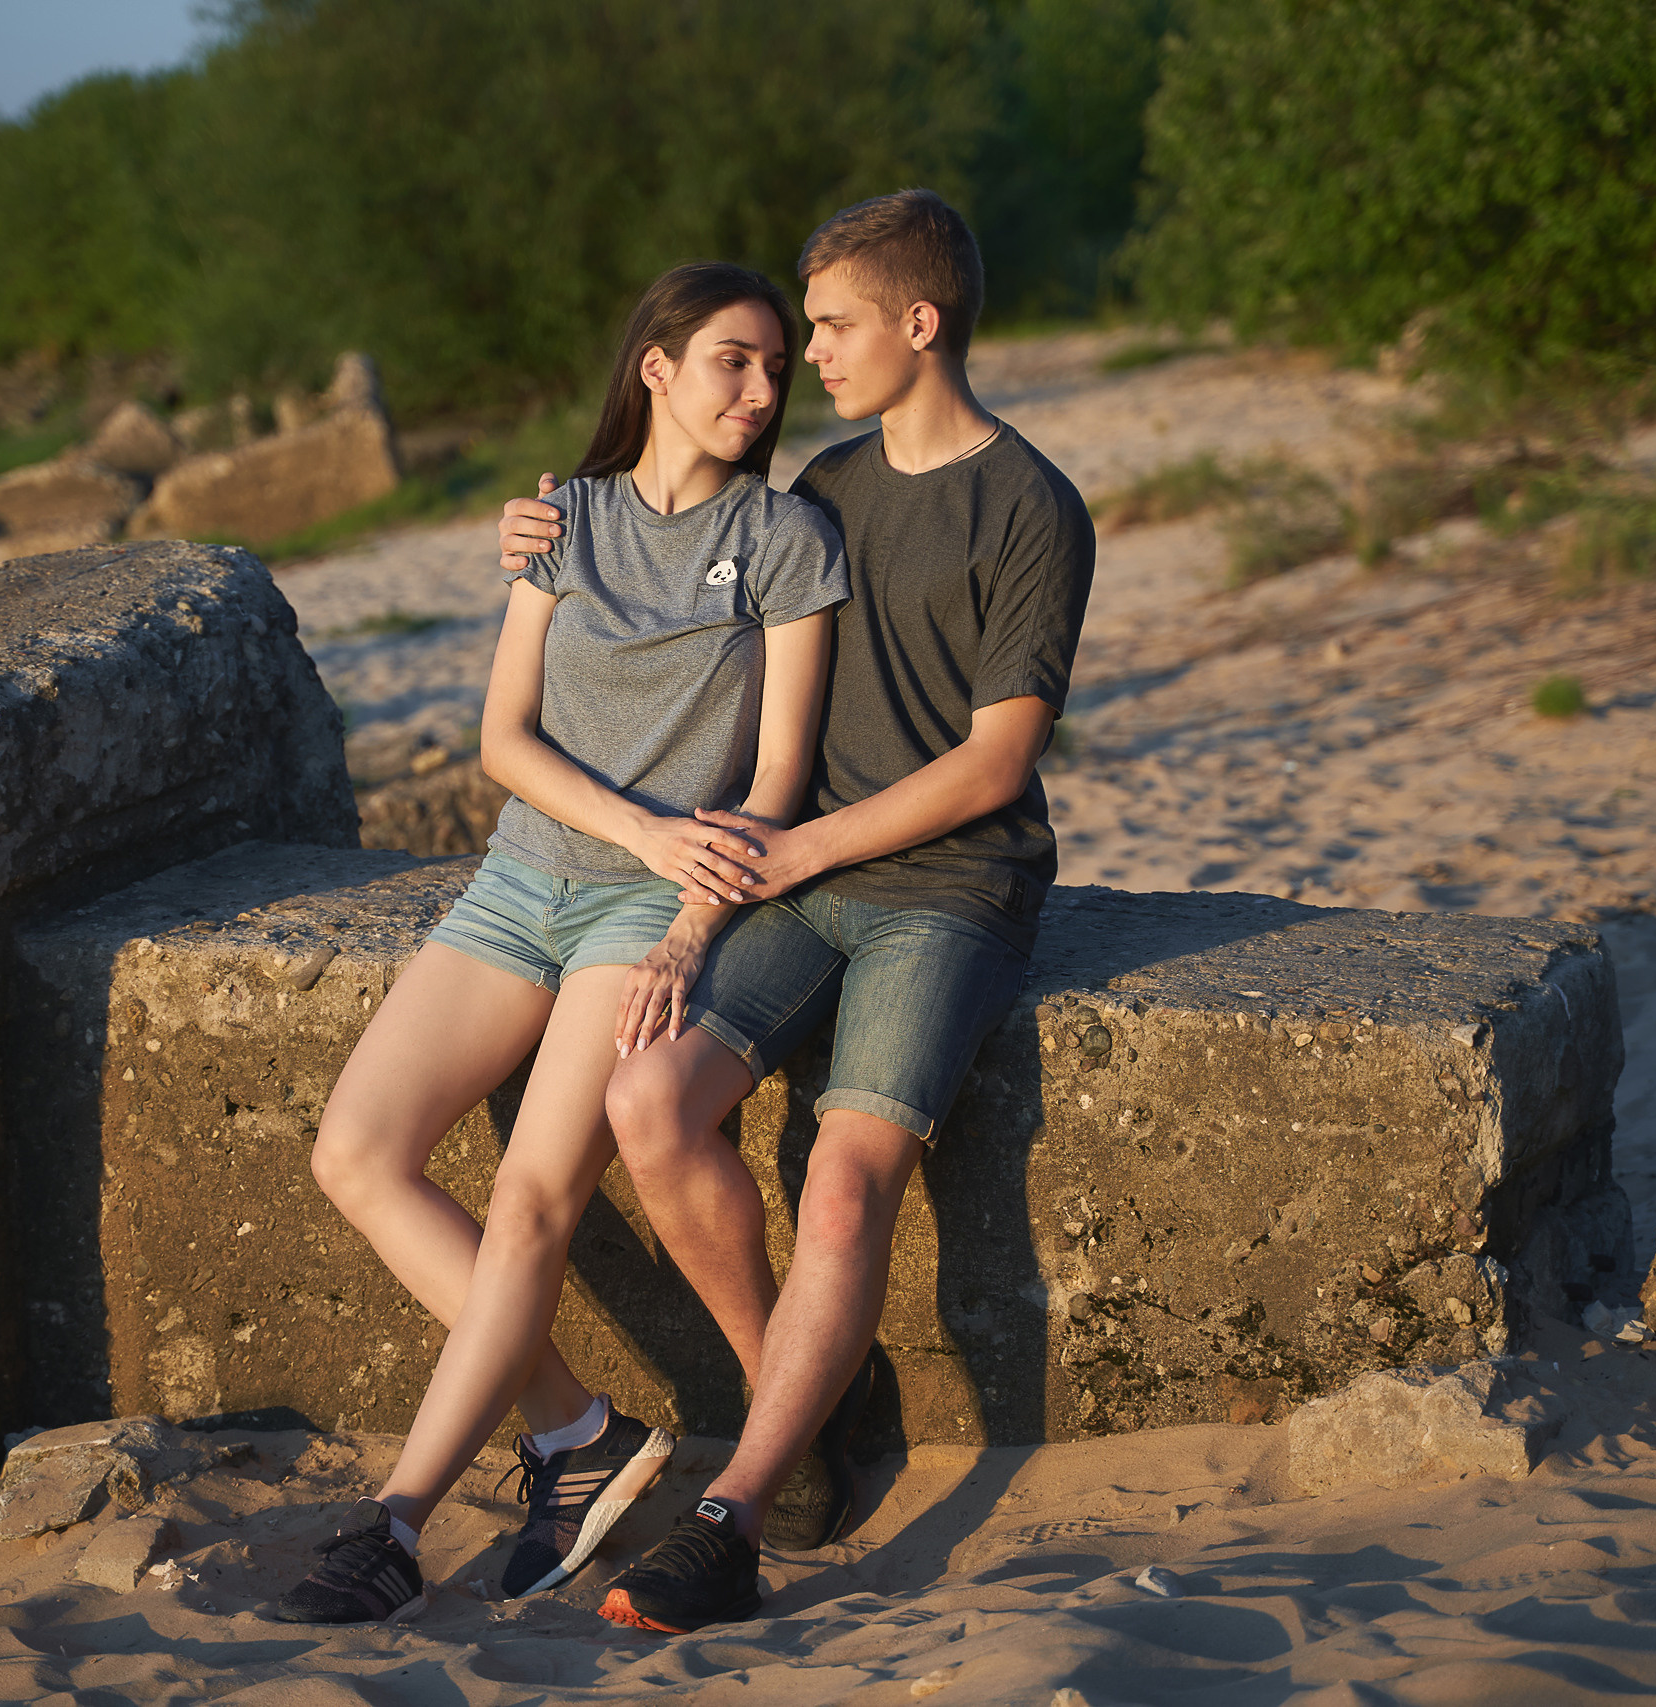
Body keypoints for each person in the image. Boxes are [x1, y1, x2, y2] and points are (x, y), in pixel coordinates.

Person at [497, 189, 1096, 1634]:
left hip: (948, 893)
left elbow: (997, 764)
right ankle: (807, 1400)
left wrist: (800, 848)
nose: (806, 359)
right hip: (798, 879)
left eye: (828, 328)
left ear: (919, 323)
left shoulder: (1033, 506)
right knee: (647, 1104)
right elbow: (674, 542)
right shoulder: (824, 489)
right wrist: (546, 529)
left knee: (841, 1179)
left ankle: (736, 1515)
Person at [272, 261, 849, 1625]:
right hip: (520, 884)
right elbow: (502, 739)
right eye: (733, 360)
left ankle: (398, 1521)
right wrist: (640, 825)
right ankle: (576, 1432)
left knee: (534, 1198)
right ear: (656, 366)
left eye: (776, 368)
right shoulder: (564, 520)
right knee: (355, 1151)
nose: (762, 391)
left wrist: (686, 918)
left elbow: (777, 779)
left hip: (650, 913)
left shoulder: (785, 539)